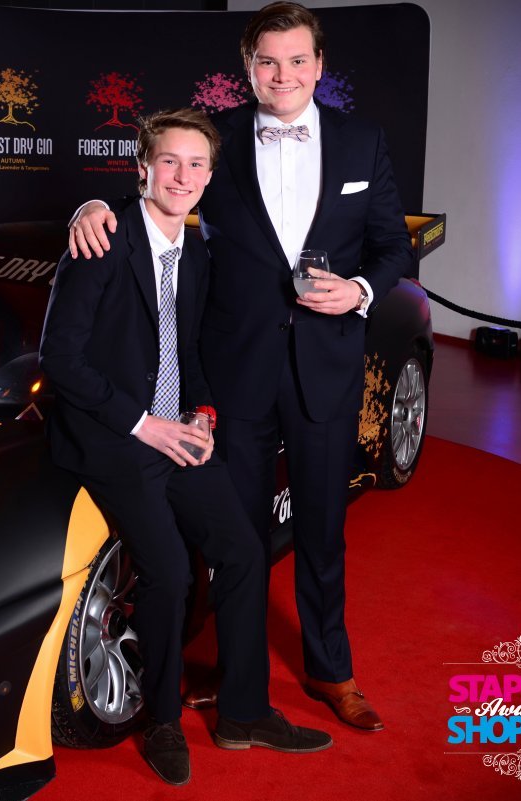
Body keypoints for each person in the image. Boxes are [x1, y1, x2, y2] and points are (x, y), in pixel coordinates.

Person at [67, 2, 413, 733]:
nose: (282, 75)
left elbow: (393, 246)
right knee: (240, 539)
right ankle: (237, 683)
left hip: (325, 364)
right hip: (234, 367)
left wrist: (360, 289)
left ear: (319, 66)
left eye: (297, 60)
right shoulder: (216, 138)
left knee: (322, 528)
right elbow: (159, 181)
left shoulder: (363, 142)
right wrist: (91, 205)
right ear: (247, 68)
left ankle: (331, 669)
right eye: (267, 61)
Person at [40, 107, 332, 786]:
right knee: (170, 572)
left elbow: (189, 351)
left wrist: (201, 413)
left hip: (177, 430)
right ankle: (162, 720)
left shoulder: (195, 252)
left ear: (208, 175)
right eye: (169, 161)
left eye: (196, 164)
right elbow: (61, 359)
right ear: (142, 167)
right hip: (116, 438)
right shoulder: (103, 239)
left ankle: (244, 712)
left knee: (244, 550)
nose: (183, 175)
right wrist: (143, 424)